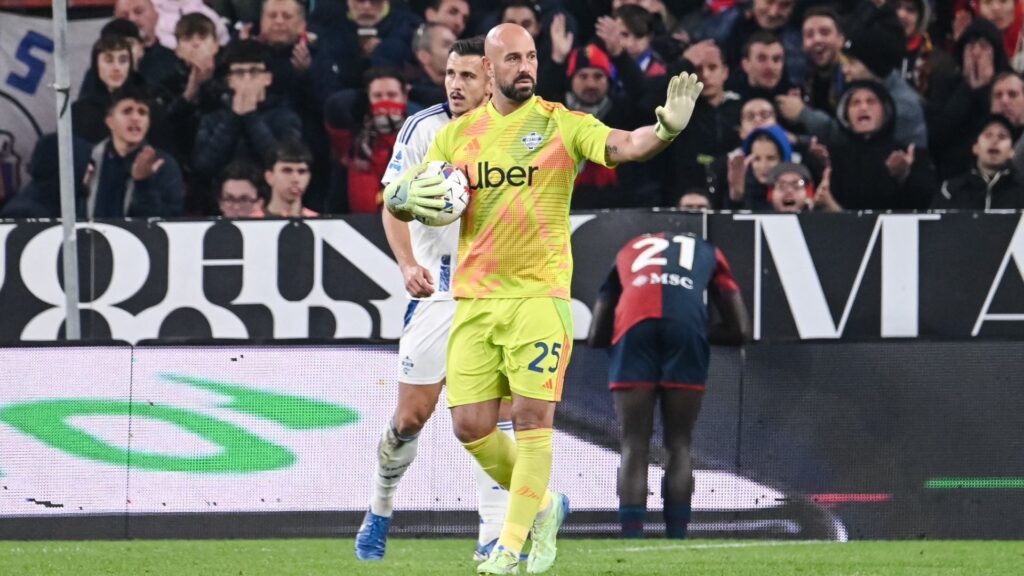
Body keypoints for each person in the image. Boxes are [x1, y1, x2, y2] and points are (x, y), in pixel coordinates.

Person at [384, 23, 704, 574]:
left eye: (530, 56)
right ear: (489, 69)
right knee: (469, 426)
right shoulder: (456, 137)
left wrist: (665, 130)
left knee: (532, 419)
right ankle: (544, 505)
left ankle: (508, 546)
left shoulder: (561, 124)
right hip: (475, 298)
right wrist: (408, 196)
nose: (524, 67)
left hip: (539, 295)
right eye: (511, 59)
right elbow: (404, 194)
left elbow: (624, 146)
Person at [354, 36, 515, 563]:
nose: (455, 84)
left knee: (492, 415)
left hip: (494, 294)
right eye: (450, 74)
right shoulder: (425, 128)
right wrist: (407, 264)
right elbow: (392, 204)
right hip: (438, 294)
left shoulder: (519, 130)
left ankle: (492, 533)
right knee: (411, 417)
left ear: (491, 80)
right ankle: (379, 507)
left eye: (467, 76)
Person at [587, 231, 750, 539]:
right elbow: (740, 329)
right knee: (679, 444)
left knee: (634, 444)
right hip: (685, 329)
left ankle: (631, 540)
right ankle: (677, 539)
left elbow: (596, 332)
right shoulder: (708, 251)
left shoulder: (629, 247)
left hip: (634, 329)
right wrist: (693, 329)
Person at [85, 85, 184, 218]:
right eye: (127, 111)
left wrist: (143, 184)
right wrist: (81, 190)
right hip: (91, 238)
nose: (136, 118)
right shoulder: (87, 159)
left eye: (142, 112)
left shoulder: (163, 165)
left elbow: (170, 223)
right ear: (110, 122)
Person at [935, 114, 1024, 210]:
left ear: (1012, 151)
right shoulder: (950, 190)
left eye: (1002, 136)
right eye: (988, 135)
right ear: (975, 147)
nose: (994, 141)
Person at [260, 139, 318, 217]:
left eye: (302, 172)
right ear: (269, 177)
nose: (295, 179)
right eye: (287, 171)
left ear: (309, 177)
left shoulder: (318, 224)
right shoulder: (251, 223)